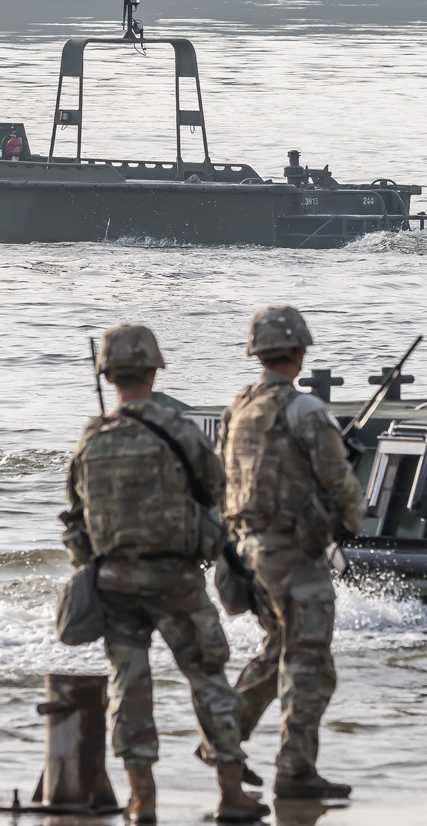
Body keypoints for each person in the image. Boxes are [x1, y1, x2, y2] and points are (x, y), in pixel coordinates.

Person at [60, 324, 266, 825]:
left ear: (107, 376)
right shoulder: (181, 430)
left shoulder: (92, 438)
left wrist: (92, 564)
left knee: (128, 688)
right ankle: (231, 794)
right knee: (209, 680)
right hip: (177, 581)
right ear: (155, 371)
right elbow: (217, 491)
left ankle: (142, 801)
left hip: (115, 584)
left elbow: (75, 518)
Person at [219, 306, 364, 802]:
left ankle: (222, 738)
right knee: (311, 665)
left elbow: (224, 479)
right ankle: (296, 770)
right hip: (294, 556)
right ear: (300, 353)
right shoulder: (306, 411)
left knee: (280, 647)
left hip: (248, 551)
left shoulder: (238, 407)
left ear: (257, 353)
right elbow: (340, 482)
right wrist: (350, 521)